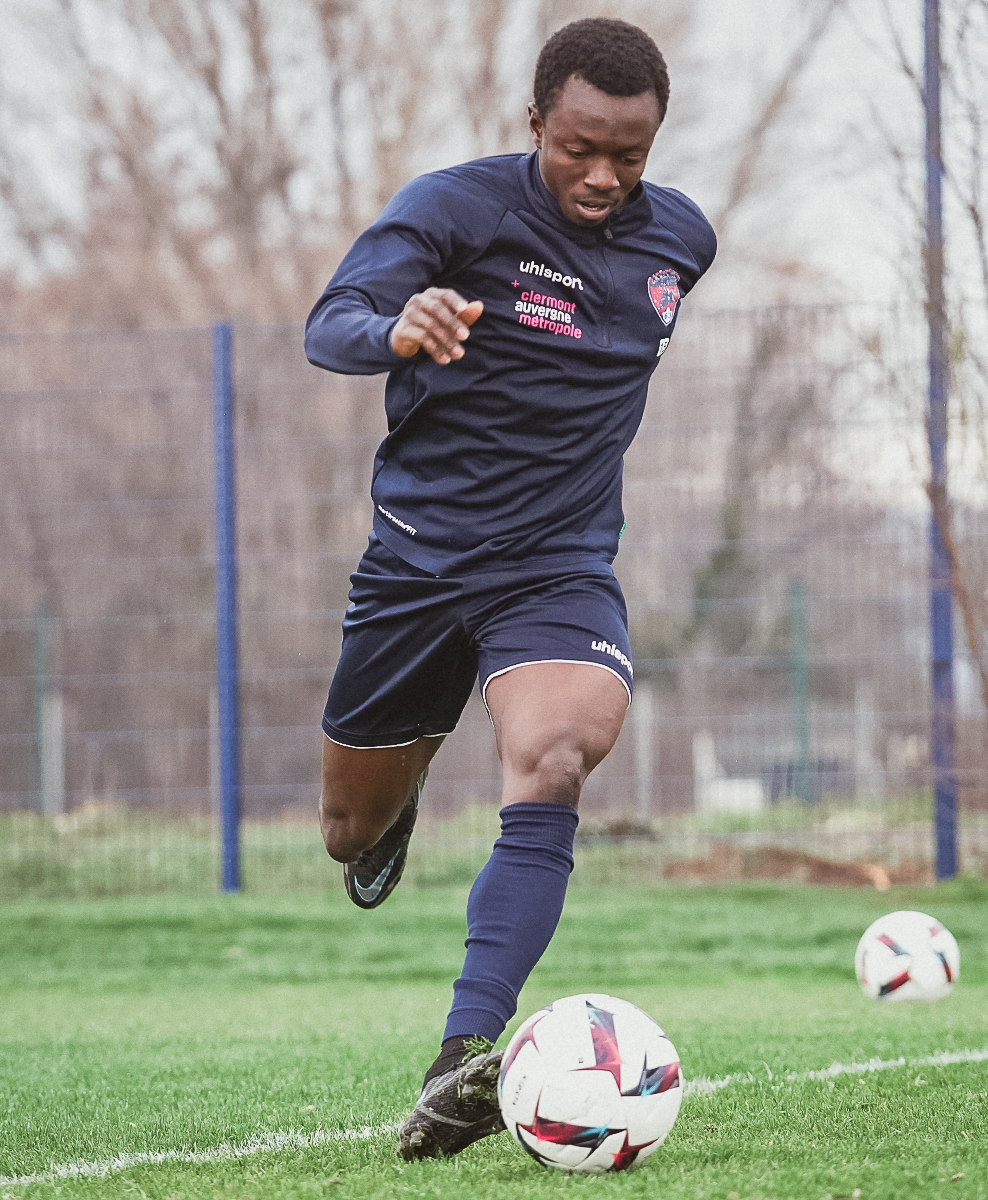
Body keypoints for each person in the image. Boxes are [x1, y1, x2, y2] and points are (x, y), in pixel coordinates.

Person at [303, 17, 715, 1157]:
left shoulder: (681, 240)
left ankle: (461, 1060)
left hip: (556, 569)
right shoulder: (456, 209)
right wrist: (398, 325)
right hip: (417, 568)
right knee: (346, 831)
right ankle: (404, 780)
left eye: (626, 155)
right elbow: (328, 322)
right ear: (534, 123)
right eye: (578, 147)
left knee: (555, 757)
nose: (601, 176)